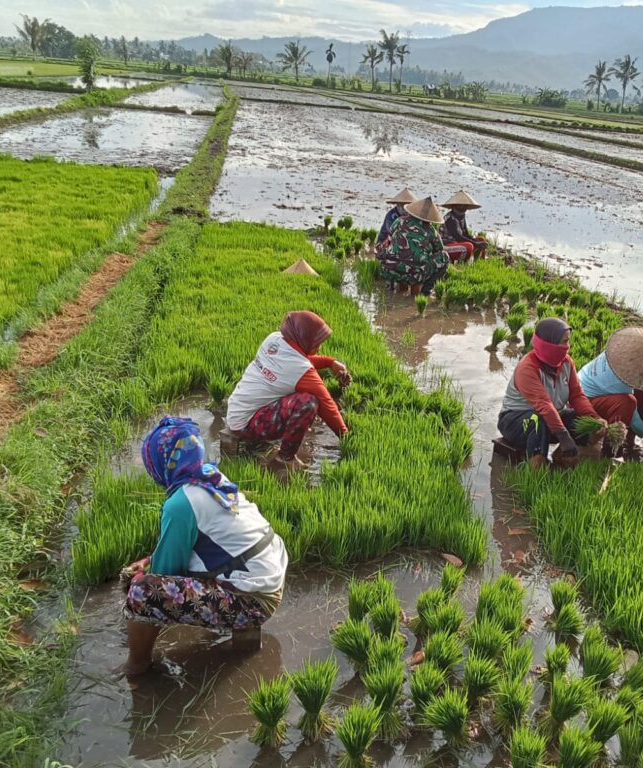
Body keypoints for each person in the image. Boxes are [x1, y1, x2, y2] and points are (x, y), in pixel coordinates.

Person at [121, 416, 289, 676]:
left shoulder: (180, 503)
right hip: (267, 577)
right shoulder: (210, 477)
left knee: (142, 591)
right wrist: (148, 560)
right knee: (153, 575)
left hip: (253, 600)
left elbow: (166, 572)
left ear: (159, 462)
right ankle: (242, 643)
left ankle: (137, 666)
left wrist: (142, 572)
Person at [226, 311, 351, 468]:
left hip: (236, 410)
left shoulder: (274, 339)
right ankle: (285, 459)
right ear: (304, 338)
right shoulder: (301, 370)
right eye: (316, 342)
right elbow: (327, 405)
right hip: (247, 425)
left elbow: (294, 359)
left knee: (297, 392)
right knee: (308, 403)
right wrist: (347, 438)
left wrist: (330, 362)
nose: (319, 347)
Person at [497, 317, 605, 468]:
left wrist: (594, 418)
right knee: (537, 419)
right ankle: (536, 470)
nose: (567, 346)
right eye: (564, 342)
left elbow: (577, 395)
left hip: (550, 417)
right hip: (515, 421)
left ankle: (562, 457)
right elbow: (544, 405)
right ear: (549, 344)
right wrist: (563, 436)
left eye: (568, 341)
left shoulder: (566, 363)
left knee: (578, 419)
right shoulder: (528, 368)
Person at [579, 326, 643, 458]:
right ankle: (611, 447)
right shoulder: (620, 381)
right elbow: (633, 416)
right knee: (627, 403)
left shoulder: (618, 354)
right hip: (583, 404)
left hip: (584, 388)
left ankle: (621, 441)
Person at [380, 196, 450, 296]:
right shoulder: (431, 231)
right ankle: (425, 291)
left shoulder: (399, 221)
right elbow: (439, 250)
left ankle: (395, 288)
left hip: (390, 270)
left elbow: (390, 240)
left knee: (401, 258)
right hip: (416, 274)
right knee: (444, 256)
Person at [441, 190, 488, 262]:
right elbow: (458, 237)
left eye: (464, 205)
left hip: (459, 242)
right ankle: (463, 262)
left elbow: (465, 234)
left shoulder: (461, 217)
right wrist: (475, 243)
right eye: (460, 205)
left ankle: (477, 261)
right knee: (469, 246)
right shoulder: (451, 219)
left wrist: (476, 242)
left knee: (481, 240)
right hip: (448, 244)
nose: (463, 207)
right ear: (454, 206)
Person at [376, 187, 417, 253]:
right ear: (398, 205)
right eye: (403, 207)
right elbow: (394, 233)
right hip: (386, 244)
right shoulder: (391, 216)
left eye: (408, 207)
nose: (405, 210)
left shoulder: (412, 216)